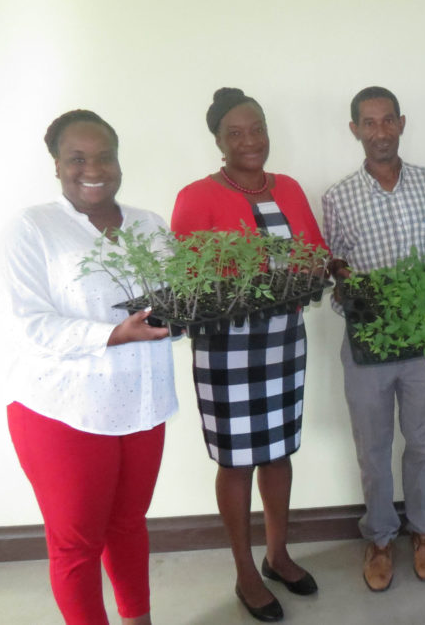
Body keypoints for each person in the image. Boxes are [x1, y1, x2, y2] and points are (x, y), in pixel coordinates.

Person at [3, 110, 178, 625]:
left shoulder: (150, 225)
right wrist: (112, 334)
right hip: (65, 410)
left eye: (105, 157)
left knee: (128, 524)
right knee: (77, 544)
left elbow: (173, 304)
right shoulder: (33, 228)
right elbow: (31, 324)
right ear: (57, 165)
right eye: (77, 158)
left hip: (141, 406)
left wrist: (193, 315)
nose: (94, 169)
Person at [171, 88, 327, 622]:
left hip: (284, 339)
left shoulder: (289, 188)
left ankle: (278, 555)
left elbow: (314, 252)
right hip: (227, 348)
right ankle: (244, 571)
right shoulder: (197, 196)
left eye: (256, 128)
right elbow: (188, 281)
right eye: (235, 133)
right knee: (237, 461)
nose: (250, 140)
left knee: (279, 451)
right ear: (218, 141)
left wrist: (320, 269)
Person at [321, 86, 425, 591]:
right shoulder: (337, 197)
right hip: (367, 346)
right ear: (354, 129)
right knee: (372, 448)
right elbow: (333, 272)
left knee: (423, 442)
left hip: (424, 344)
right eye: (369, 122)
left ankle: (424, 531)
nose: (380, 131)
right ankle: (379, 538)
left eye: (388, 120)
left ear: (401, 123)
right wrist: (347, 291)